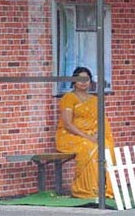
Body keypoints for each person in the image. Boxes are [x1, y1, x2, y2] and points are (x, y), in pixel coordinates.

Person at [56, 66, 114, 198]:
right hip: (70, 136)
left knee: (106, 146)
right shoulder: (69, 98)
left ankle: (104, 188)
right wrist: (87, 136)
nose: (83, 82)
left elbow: (101, 122)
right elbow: (68, 124)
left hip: (90, 136)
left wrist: (96, 135)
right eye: (80, 79)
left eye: (86, 79)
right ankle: (86, 189)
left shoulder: (94, 100)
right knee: (90, 147)